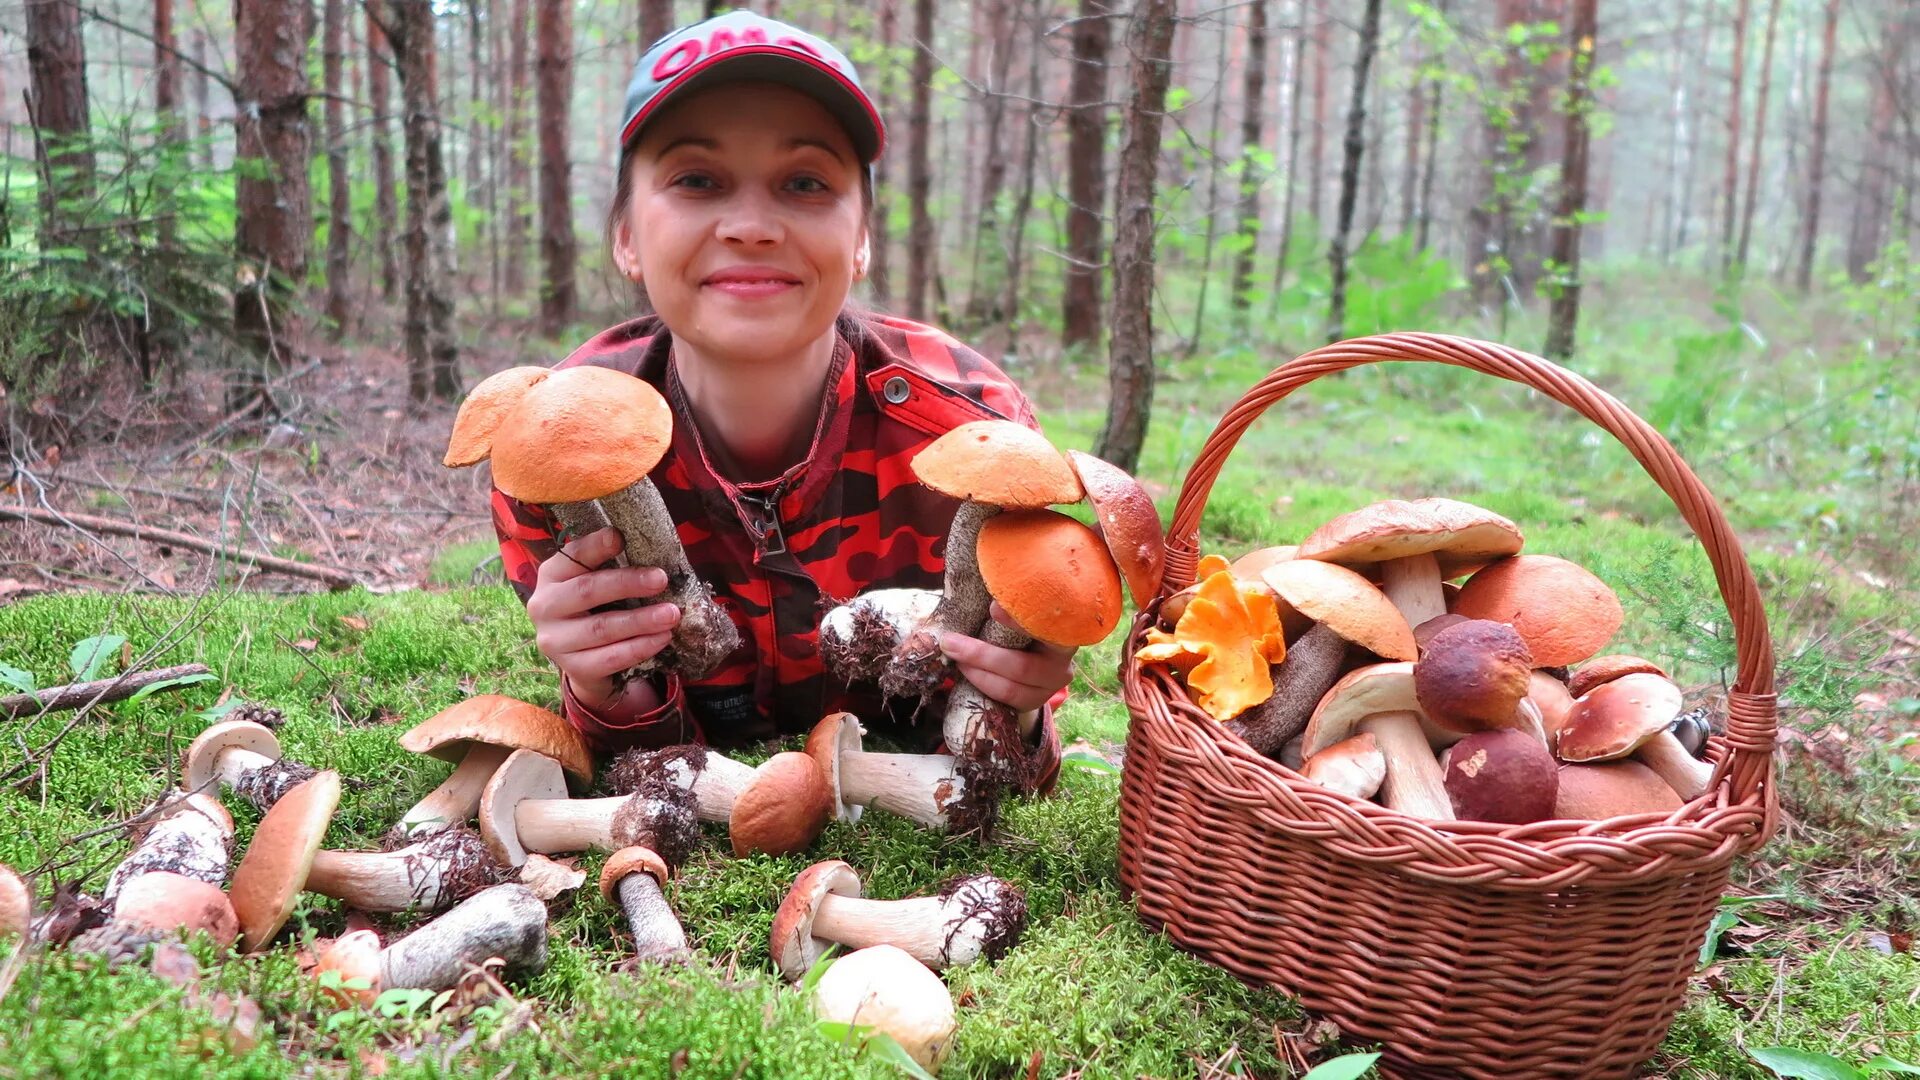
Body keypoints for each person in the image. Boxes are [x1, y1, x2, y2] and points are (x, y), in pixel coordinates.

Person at [489, 10, 1069, 786]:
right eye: (697, 179)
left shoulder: (980, 435)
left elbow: (1008, 742)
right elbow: (630, 759)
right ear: (626, 235)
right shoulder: (553, 453)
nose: (753, 226)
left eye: (805, 182)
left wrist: (1018, 708)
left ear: (862, 237)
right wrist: (599, 685)